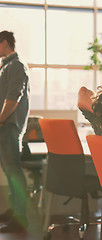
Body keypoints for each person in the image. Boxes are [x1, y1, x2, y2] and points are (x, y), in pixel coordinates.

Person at [0, 31, 30, 232]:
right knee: (9, 171)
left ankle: (21, 218)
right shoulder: (6, 66)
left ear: (4, 43)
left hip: (9, 126)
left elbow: (13, 98)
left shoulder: (16, 66)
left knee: (13, 171)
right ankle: (15, 211)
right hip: (5, 126)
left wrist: (0, 120)